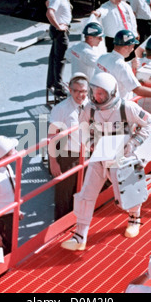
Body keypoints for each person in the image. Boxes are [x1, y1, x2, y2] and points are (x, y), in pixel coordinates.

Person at [60, 72, 151, 251]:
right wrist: (90, 144)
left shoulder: (126, 107)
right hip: (99, 155)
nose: (97, 97)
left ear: (111, 93)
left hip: (121, 156)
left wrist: (134, 143)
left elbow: (148, 122)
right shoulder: (89, 109)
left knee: (127, 191)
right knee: (86, 194)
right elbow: (83, 129)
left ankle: (134, 218)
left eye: (101, 93)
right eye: (94, 92)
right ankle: (80, 235)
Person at [48, 73, 89, 221]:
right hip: (67, 156)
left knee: (82, 193)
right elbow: (52, 137)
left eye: (83, 91)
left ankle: (77, 222)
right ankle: (61, 227)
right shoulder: (61, 109)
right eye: (77, 91)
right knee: (63, 196)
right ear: (70, 90)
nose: (80, 95)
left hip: (86, 155)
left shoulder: (91, 105)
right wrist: (53, 161)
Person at [96, 29, 151, 101]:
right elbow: (138, 90)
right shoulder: (122, 66)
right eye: (132, 47)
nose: (132, 50)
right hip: (118, 107)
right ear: (126, 47)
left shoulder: (103, 57)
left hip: (100, 101)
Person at [46, 0, 72, 98]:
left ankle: (51, 82)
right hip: (60, 32)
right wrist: (58, 26)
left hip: (59, 30)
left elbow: (47, 3)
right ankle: (58, 86)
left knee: (54, 56)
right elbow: (49, 12)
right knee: (60, 59)